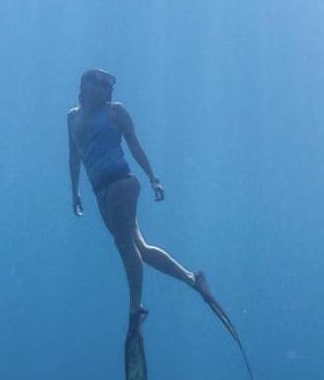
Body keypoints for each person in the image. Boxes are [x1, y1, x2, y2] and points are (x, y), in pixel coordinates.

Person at [67, 68, 218, 335]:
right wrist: (74, 192)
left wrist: (153, 178)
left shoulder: (116, 112)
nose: (103, 89)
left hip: (121, 182)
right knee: (141, 249)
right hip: (99, 189)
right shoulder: (72, 118)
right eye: (97, 83)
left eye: (106, 86)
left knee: (124, 244)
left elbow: (135, 145)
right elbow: (74, 156)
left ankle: (135, 309)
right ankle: (193, 280)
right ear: (84, 86)